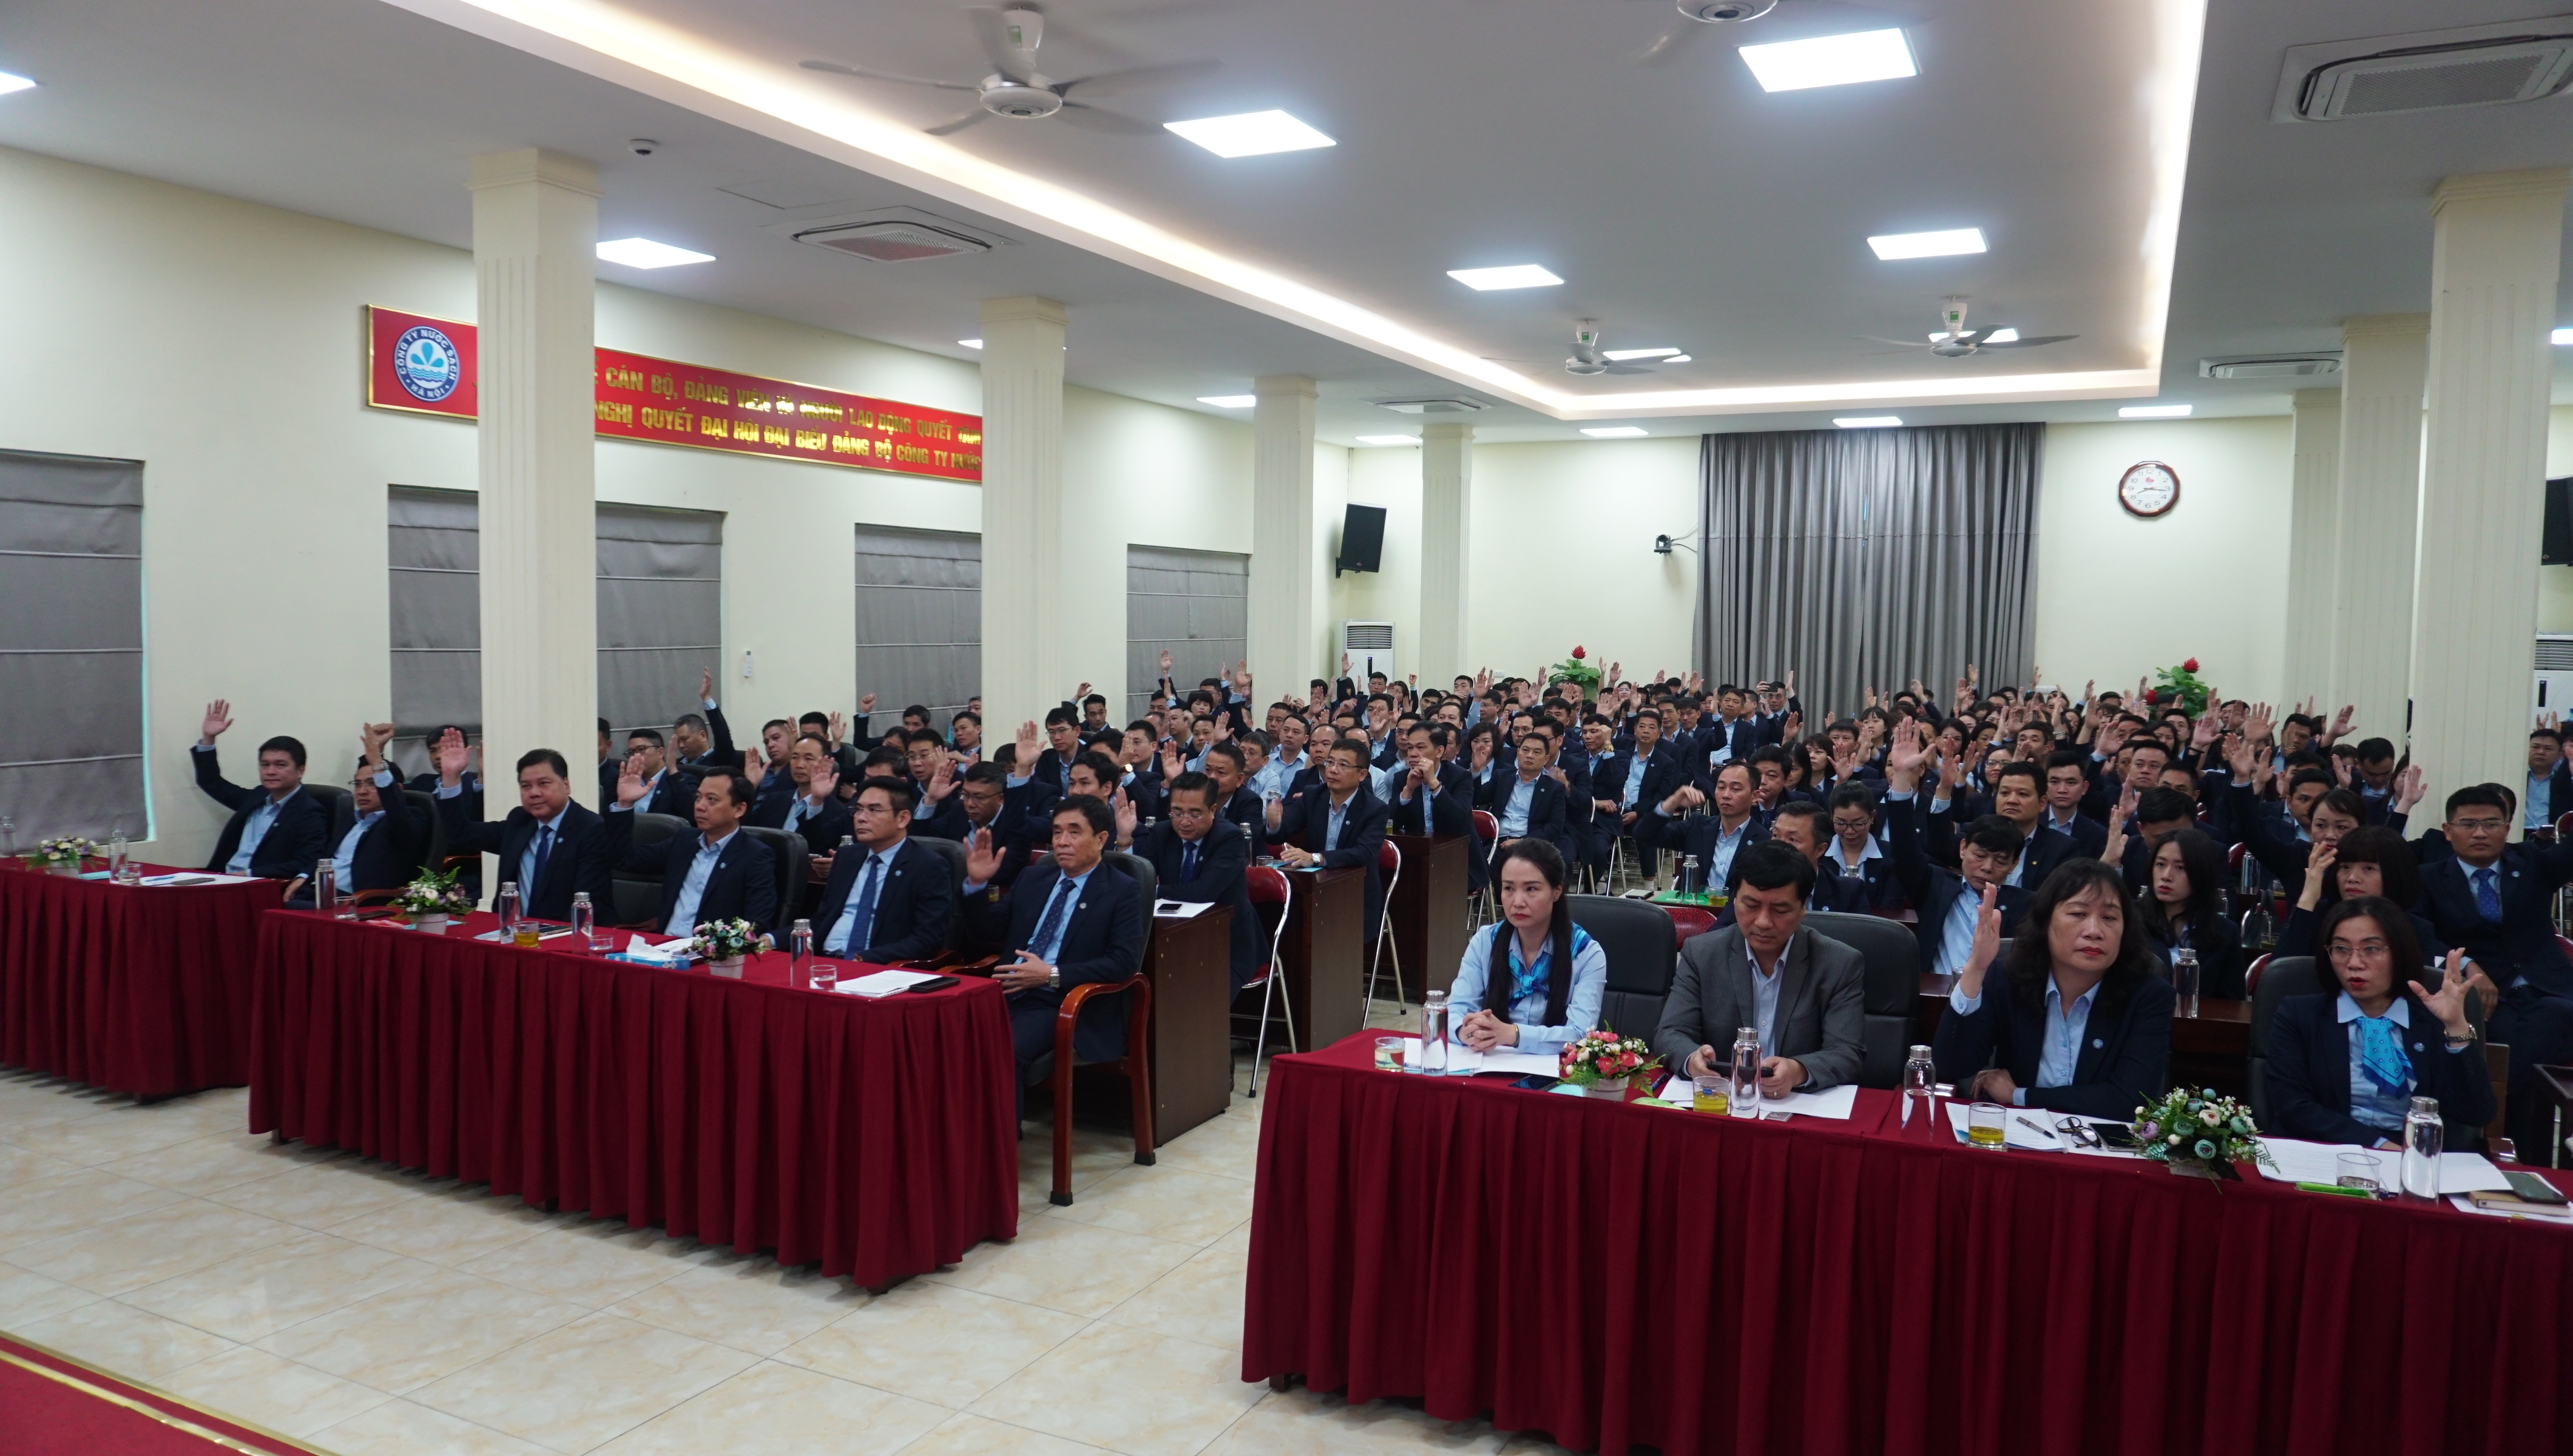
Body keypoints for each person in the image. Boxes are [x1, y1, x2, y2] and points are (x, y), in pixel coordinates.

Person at [1933, 859, 2174, 1117]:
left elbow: (2129, 1100)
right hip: (2015, 1133)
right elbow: (1952, 1065)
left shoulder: (2149, 995)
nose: (2094, 931)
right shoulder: (2008, 977)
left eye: (2109, 918)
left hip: (2100, 1139)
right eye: (2078, 914)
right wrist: (1976, 969)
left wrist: (2020, 1096)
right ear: (2045, 921)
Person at [963, 795, 1147, 1122]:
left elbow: (1123, 963)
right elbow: (984, 932)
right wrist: (977, 885)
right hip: (1007, 991)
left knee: (1001, 1049)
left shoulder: (1122, 890)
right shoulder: (1033, 878)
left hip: (1063, 1001)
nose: (1062, 841)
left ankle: (1000, 1146)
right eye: (1057, 832)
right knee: (945, 1036)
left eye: (1074, 832)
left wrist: (1051, 974)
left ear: (1101, 839)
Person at [2413, 783, 2573, 1151]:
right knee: (2504, 1037)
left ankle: (2493, 1129)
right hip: (2483, 1000)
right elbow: (2418, 935)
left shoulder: (2532, 862)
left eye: (2491, 823)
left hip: (2547, 989)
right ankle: (2523, 1149)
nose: (2481, 833)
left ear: (2507, 828)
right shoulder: (2428, 878)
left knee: (2547, 1023)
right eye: (2468, 824)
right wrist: (2469, 965)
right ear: (2448, 831)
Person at [2265, 897, 2494, 1148]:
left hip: (2414, 1155)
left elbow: (2476, 1114)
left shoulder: (2432, 1021)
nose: (2354, 964)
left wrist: (2456, 1027)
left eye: (2371, 949)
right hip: (2325, 1149)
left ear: (2400, 953)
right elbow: (2292, 1106)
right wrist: (2378, 1145)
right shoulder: (2299, 1015)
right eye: (2341, 949)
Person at [1657, 842, 1867, 1093]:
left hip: (1799, 1101)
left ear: (1803, 908)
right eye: (1751, 906)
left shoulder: (1838, 963)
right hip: (1722, 1096)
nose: (1764, 922)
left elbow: (1846, 1052)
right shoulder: (1701, 953)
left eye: (1780, 910)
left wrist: (1799, 1071)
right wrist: (1692, 1059)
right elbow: (1671, 1032)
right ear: (1734, 900)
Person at [1883, 722, 2030, 974]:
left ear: (2014, 864)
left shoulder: (2027, 905)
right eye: (1980, 856)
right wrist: (1902, 777)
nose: (1987, 867)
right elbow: (1904, 850)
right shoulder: (1935, 886)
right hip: (1936, 991)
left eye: (2000, 861)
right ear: (1963, 849)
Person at [433, 738, 626, 921]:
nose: (534, 793)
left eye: (544, 784)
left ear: (566, 785)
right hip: (516, 931)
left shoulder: (590, 827)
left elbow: (586, 901)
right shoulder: (520, 820)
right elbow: (461, 832)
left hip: (568, 933)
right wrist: (451, 777)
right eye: (526, 786)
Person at [1447, 839, 1606, 1057]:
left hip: (1556, 1069)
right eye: (1508, 888)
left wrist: (1513, 1034)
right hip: (1493, 1063)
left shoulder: (1586, 954)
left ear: (1557, 891)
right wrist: (1465, 1031)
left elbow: (1581, 1034)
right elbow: (1455, 1009)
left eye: (1531, 889)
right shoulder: (1485, 942)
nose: (1518, 902)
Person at [610, 764, 778, 935]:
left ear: (739, 809)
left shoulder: (755, 855)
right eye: (698, 798)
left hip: (709, 949)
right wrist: (625, 804)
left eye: (712, 800)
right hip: (663, 944)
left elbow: (756, 925)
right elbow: (625, 859)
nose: (699, 806)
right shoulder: (684, 841)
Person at [1133, 772, 1258, 990]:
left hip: (1225, 941)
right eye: (1177, 812)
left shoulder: (1229, 837)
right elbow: (1140, 880)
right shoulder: (1163, 832)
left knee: (1202, 997)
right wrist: (1125, 839)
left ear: (1213, 810)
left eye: (1194, 814)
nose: (1184, 822)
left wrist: (1155, 890)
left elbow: (1202, 893)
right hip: (1171, 936)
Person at [810, 776, 954, 963]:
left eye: (874, 810)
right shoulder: (847, 857)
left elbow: (926, 940)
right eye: (858, 809)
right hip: (825, 960)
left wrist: (866, 958)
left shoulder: (928, 866)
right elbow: (821, 920)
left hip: (877, 965)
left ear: (902, 819)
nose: (861, 818)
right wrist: (773, 939)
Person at [190, 699, 330, 877]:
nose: (270, 771)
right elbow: (211, 782)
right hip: (222, 876)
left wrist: (248, 874)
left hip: (258, 883)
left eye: (280, 765)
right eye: (265, 765)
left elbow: (305, 863)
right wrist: (208, 739)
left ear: (300, 771)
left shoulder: (310, 812)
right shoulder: (257, 797)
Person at [1273, 738, 1390, 945]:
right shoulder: (1312, 795)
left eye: (1343, 765)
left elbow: (1364, 853)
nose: (1333, 770)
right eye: (1330, 762)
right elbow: (1280, 834)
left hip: (1354, 896)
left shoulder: (1375, 809)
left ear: (1362, 775)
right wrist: (1273, 824)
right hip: (1314, 890)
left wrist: (1316, 858)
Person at [2276, 827, 2445, 962]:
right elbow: (2279, 976)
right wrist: (2308, 897)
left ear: (2394, 874)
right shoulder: (2316, 916)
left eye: (2368, 869)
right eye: (2345, 867)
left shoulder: (2415, 929)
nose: (2352, 878)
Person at [316, 721, 431, 900]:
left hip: (356, 900)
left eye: (372, 784)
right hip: (317, 891)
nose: (362, 791)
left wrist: (378, 764)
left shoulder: (408, 819)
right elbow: (325, 857)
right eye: (358, 784)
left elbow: (396, 810)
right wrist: (303, 876)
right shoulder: (351, 819)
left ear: (398, 789)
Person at [2136, 827, 2245, 999]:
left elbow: (2233, 1004)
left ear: (2202, 874)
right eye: (2161, 864)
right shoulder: (2130, 920)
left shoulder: (2225, 933)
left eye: (2180, 868)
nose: (2166, 876)